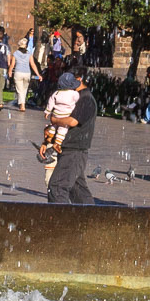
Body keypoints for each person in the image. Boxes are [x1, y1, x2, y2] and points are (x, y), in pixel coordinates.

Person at [46, 71, 97, 205]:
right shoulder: (75, 96)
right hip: (70, 149)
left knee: (57, 187)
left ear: (79, 79)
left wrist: (54, 120)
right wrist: (47, 141)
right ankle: (90, 218)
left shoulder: (85, 98)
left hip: (75, 149)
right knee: (77, 189)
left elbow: (72, 121)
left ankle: (61, 222)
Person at [12, 33, 35, 111]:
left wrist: (9, 71)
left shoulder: (15, 53)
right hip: (27, 73)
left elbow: (12, 64)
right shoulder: (29, 54)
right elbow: (32, 64)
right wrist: (38, 74)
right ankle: (23, 104)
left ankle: (22, 105)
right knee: (24, 90)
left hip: (18, 72)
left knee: (19, 90)